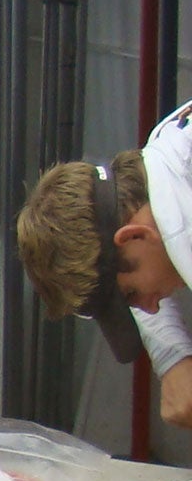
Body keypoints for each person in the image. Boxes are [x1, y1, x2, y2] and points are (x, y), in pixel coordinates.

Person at [15, 99, 192, 430]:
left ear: (133, 236)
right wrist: (174, 357)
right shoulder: (165, 158)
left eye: (132, 294)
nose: (151, 308)